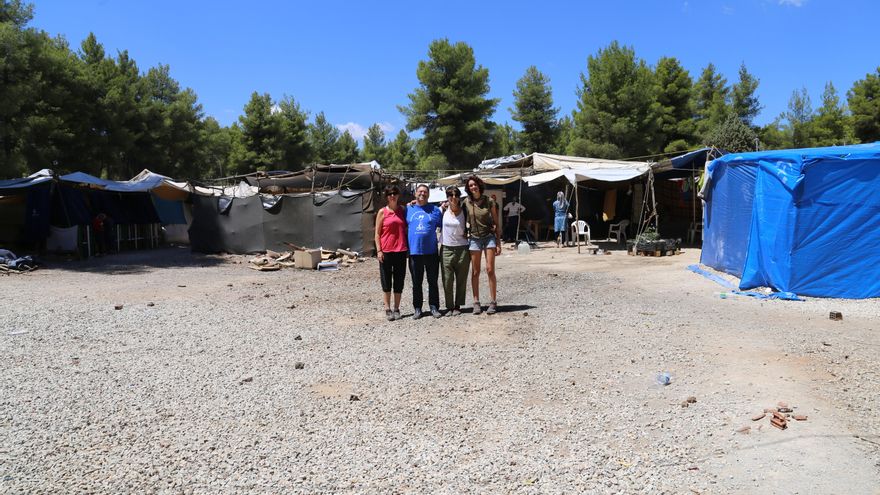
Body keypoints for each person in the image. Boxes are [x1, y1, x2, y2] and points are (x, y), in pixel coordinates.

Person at [463, 175, 502, 315]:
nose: (473, 187)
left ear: (479, 185)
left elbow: (496, 222)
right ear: (468, 188)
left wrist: (498, 242)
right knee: (475, 271)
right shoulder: (466, 202)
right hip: (474, 238)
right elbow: (455, 210)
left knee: (490, 270)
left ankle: (493, 301)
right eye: (470, 185)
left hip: (489, 237)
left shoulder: (489, 201)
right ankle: (476, 302)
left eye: (475, 184)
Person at [407, 184, 443, 319]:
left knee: (432, 281)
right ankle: (417, 308)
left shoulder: (435, 210)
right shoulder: (408, 209)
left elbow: (443, 226)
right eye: (420, 191)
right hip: (414, 252)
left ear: (428, 194)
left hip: (431, 252)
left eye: (425, 192)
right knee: (416, 283)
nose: (422, 194)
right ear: (415, 193)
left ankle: (434, 307)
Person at [374, 185, 408, 321]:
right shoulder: (382, 212)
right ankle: (387, 308)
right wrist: (379, 250)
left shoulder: (403, 210)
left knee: (399, 281)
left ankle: (397, 308)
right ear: (387, 197)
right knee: (386, 281)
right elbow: (377, 233)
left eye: (394, 193)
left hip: (401, 251)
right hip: (386, 251)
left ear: (398, 195)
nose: (392, 196)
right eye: (390, 194)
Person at [440, 186, 470, 316]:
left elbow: (473, 223)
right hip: (446, 248)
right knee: (447, 280)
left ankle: (458, 305)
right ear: (447, 197)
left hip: (462, 248)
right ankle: (449, 306)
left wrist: (468, 233)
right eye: (450, 195)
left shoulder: (465, 211)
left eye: (456, 195)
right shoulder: (442, 210)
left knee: (461, 279)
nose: (453, 198)